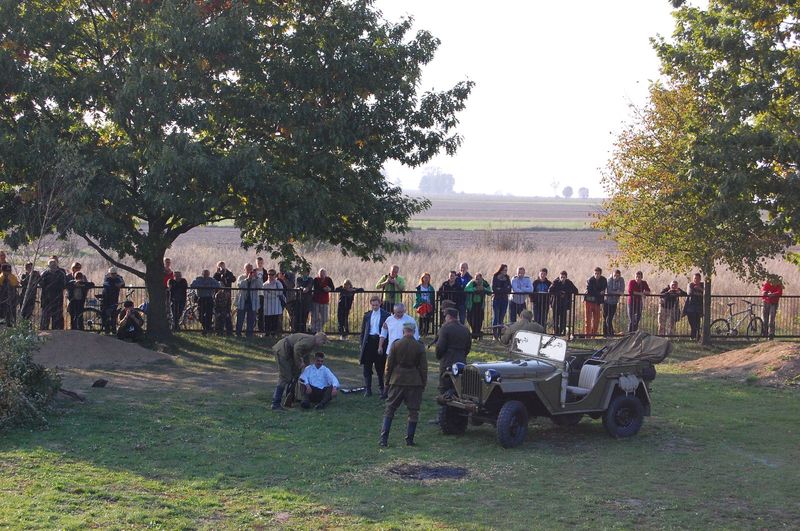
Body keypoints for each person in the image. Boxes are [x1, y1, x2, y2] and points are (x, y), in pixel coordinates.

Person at [379, 322, 427, 447]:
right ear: (414, 331)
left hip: (397, 379)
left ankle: (383, 439)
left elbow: (389, 366)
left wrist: (386, 382)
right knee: (413, 411)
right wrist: (423, 383)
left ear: (403, 331)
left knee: (390, 409)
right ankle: (409, 440)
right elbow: (423, 368)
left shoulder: (395, 344)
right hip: (414, 381)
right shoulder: (419, 346)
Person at [271, 332, 328, 410]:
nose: (323, 344)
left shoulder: (311, 343)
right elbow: (297, 348)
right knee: (285, 377)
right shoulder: (311, 341)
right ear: (319, 339)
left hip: (288, 352)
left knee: (296, 374)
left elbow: (305, 355)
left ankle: (290, 397)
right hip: (283, 351)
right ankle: (275, 403)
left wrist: (306, 368)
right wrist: (299, 363)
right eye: (323, 342)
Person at [359, 295, 391, 397]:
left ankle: (382, 389)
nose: (375, 307)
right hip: (369, 342)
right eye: (373, 305)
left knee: (380, 367)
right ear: (371, 304)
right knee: (367, 367)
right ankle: (368, 389)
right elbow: (363, 331)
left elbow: (389, 331)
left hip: (379, 341)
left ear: (380, 303)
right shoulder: (367, 315)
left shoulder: (386, 315)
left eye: (376, 305)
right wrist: (361, 344)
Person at [435, 308, 471, 396]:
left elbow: (440, 347)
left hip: (447, 360)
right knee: (459, 385)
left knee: (445, 384)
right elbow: (468, 347)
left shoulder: (445, 329)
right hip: (461, 359)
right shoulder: (465, 329)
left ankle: (446, 406)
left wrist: (439, 356)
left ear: (448, 316)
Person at [190, 269, 221, 335]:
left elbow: (218, 285)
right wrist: (202, 286)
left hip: (209, 299)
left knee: (209, 315)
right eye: (204, 274)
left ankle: (206, 330)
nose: (206, 275)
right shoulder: (198, 279)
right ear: (202, 274)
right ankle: (207, 328)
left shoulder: (211, 280)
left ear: (209, 274)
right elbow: (192, 285)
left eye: (207, 274)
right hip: (201, 299)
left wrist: (209, 286)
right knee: (200, 315)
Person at [39, 259, 67, 330]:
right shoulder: (44, 274)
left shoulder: (61, 274)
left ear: (57, 265)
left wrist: (54, 285)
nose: (53, 266)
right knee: (45, 317)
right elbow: (41, 284)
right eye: (51, 264)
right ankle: (44, 331)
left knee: (57, 317)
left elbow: (64, 285)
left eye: (54, 264)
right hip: (46, 299)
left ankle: (58, 331)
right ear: (48, 265)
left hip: (57, 299)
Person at [235, 264, 262, 337]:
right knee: (240, 318)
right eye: (248, 269)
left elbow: (260, 286)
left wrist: (256, 277)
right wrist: (247, 279)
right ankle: (238, 333)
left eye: (251, 269)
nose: (249, 271)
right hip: (243, 301)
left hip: (252, 302)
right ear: (245, 269)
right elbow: (240, 285)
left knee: (251, 319)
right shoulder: (241, 277)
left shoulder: (256, 278)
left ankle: (249, 334)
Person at [549, 271, 578, 336]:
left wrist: (566, 292)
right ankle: (556, 332)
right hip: (556, 303)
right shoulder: (555, 282)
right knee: (555, 319)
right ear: (559, 277)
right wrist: (559, 293)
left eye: (564, 277)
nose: (562, 279)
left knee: (563, 319)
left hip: (564, 304)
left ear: (566, 277)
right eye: (561, 277)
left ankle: (562, 331)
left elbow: (576, 290)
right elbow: (550, 290)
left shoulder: (569, 282)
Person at [464, 272, 492, 340]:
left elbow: (490, 292)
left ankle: (476, 335)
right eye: (476, 279)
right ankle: (475, 333)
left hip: (480, 305)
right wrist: (475, 289)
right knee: (470, 319)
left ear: (481, 278)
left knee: (479, 320)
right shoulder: (472, 282)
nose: (477, 280)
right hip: (472, 305)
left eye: (479, 279)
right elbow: (466, 289)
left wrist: (484, 289)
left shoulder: (484, 283)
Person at [584, 267, 607, 336]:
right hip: (589, 301)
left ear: (600, 274)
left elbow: (603, 289)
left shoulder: (603, 280)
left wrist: (598, 292)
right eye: (595, 273)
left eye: (598, 274)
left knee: (596, 320)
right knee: (587, 319)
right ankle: (587, 335)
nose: (596, 275)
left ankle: (593, 335)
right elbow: (590, 291)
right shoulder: (590, 280)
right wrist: (599, 293)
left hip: (597, 302)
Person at [101, 267, 125, 334]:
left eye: (114, 274)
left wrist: (119, 282)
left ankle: (113, 330)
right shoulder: (107, 278)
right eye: (112, 274)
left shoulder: (118, 278)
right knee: (106, 315)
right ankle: (107, 330)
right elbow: (110, 285)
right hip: (106, 299)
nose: (113, 275)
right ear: (109, 273)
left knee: (114, 315)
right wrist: (118, 284)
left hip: (114, 299)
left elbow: (123, 284)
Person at [491, 264, 512, 340]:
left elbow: (509, 289)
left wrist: (500, 289)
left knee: (501, 318)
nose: (505, 271)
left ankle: (499, 335)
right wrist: (503, 289)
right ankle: (494, 335)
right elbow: (494, 288)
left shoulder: (507, 278)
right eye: (504, 270)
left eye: (506, 270)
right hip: (496, 299)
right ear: (501, 270)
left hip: (504, 300)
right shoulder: (495, 277)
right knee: (496, 317)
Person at [262, 269, 285, 337]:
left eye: (272, 274)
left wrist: (271, 292)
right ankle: (267, 333)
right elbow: (264, 294)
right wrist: (273, 293)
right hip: (267, 305)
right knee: (267, 320)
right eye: (269, 274)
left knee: (274, 320)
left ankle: (273, 333)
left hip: (275, 305)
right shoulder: (264, 284)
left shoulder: (278, 283)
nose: (270, 276)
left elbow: (280, 292)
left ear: (275, 275)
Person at [310, 268, 334, 333]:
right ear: (318, 274)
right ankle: (314, 331)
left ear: (325, 274)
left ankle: (318, 328)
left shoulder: (328, 279)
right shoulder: (316, 279)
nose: (322, 275)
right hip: (316, 301)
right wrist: (324, 289)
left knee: (325, 318)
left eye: (323, 273)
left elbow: (332, 288)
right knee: (314, 317)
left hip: (325, 301)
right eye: (321, 273)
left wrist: (329, 288)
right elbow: (316, 288)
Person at [604, 269, 625, 337]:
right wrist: (617, 292)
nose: (616, 277)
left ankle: (610, 333)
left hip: (614, 302)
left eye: (618, 276)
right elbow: (609, 291)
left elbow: (622, 290)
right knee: (606, 318)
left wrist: (617, 292)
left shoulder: (621, 280)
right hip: (607, 301)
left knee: (609, 318)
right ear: (612, 275)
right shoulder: (609, 280)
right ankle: (607, 334)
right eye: (615, 275)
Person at [683, 273, 704, 340]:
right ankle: (693, 337)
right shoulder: (690, 284)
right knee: (692, 323)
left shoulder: (703, 285)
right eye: (695, 278)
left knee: (697, 323)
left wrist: (700, 289)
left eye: (698, 278)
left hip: (699, 308)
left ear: (700, 279)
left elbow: (705, 293)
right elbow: (690, 293)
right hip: (690, 307)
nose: (696, 280)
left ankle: (696, 337)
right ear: (693, 279)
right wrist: (700, 293)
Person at [295, 268, 314, 333]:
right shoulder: (299, 279)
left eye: (305, 272)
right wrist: (301, 288)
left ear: (308, 273)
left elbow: (309, 286)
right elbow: (298, 286)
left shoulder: (310, 279)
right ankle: (297, 331)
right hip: (299, 301)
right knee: (298, 316)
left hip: (307, 302)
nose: (304, 274)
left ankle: (303, 331)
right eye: (302, 272)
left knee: (304, 317)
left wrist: (306, 288)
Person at [253, 257, 268, 332]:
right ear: (256, 263)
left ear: (263, 263)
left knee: (261, 312)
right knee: (253, 311)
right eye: (258, 263)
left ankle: (261, 329)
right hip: (254, 294)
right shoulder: (253, 271)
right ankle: (252, 328)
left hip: (262, 294)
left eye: (261, 263)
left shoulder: (265, 272)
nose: (260, 264)